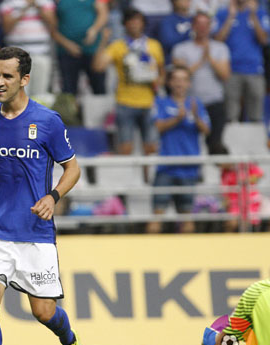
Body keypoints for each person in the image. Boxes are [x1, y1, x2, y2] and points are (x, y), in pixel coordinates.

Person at [0, 47, 87, 345]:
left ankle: (71, 342)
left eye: (7, 76)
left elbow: (73, 168)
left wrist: (53, 196)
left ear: (25, 79)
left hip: (35, 233)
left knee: (44, 311)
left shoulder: (47, 121)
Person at [146, 65, 210, 234]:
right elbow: (158, 127)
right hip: (166, 166)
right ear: (170, 82)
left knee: (187, 217)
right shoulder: (161, 102)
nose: (180, 83)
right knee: (156, 216)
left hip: (189, 168)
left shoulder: (196, 104)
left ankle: (189, 258)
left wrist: (195, 117)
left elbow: (206, 130)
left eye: (184, 80)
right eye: (176, 79)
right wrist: (178, 118)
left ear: (189, 83)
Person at [93, 8, 165, 155]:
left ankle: (147, 178)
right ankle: (129, 178)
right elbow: (98, 67)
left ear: (143, 24)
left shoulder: (154, 45)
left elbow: (162, 72)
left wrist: (158, 84)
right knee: (126, 148)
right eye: (131, 21)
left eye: (137, 21)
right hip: (125, 102)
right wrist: (103, 41)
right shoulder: (118, 46)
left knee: (151, 148)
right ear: (124, 24)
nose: (134, 24)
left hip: (149, 102)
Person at [172, 11, 230, 155]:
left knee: (215, 142)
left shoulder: (220, 48)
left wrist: (210, 58)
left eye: (206, 24)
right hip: (190, 102)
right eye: (199, 24)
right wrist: (201, 60)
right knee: (188, 141)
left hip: (214, 101)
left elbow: (225, 75)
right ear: (193, 26)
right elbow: (180, 76)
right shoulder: (181, 48)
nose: (202, 28)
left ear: (210, 26)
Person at [214, 0, 270, 122]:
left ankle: (256, 139)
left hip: (254, 69)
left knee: (256, 115)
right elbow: (218, 40)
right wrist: (230, 17)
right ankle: (231, 140)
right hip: (230, 69)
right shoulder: (223, 13)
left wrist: (253, 16)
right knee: (231, 115)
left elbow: (264, 39)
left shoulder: (259, 12)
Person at [0, 0, 57, 96]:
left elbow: (53, 25)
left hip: (41, 53)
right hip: (17, 57)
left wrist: (38, 8)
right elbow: (6, 27)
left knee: (40, 95)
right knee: (19, 93)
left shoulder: (46, 2)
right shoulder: (9, 3)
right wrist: (25, 9)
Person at [53, 0, 109, 95]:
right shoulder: (59, 2)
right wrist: (67, 44)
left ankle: (100, 109)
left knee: (99, 87)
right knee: (68, 90)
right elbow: (52, 26)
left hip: (93, 50)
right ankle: (70, 109)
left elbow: (103, 15)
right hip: (66, 51)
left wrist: (94, 30)